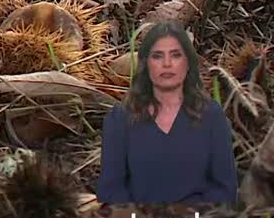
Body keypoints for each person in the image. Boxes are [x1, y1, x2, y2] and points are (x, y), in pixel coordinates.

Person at [96, 21, 238, 205]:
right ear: (145, 65)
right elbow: (110, 190)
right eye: (157, 56)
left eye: (176, 55)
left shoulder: (211, 116)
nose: (167, 64)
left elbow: (225, 189)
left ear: (188, 64)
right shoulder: (119, 119)